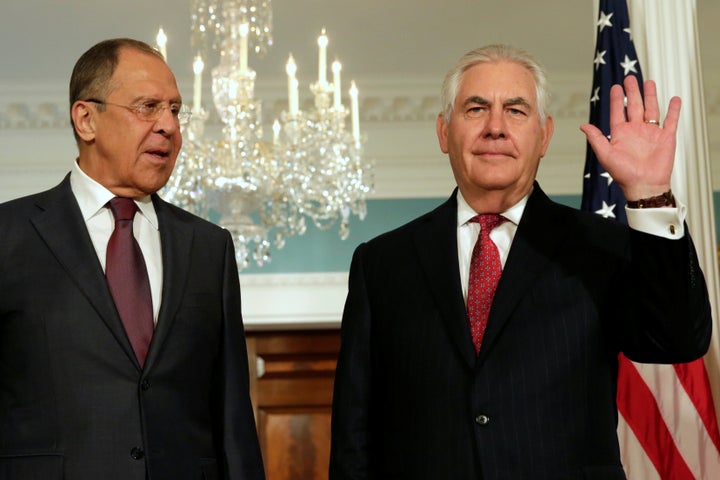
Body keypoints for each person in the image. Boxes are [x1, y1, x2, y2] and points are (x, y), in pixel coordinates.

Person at [329, 44, 712, 479]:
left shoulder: (600, 247)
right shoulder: (381, 263)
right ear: (443, 131)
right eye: (476, 108)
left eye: (515, 110)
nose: (495, 127)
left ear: (545, 135)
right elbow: (353, 438)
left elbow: (680, 339)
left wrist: (649, 193)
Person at [0, 38, 265, 480]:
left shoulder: (209, 247)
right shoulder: (8, 235)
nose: (169, 126)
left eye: (176, 110)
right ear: (86, 119)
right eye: (148, 107)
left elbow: (233, 416)